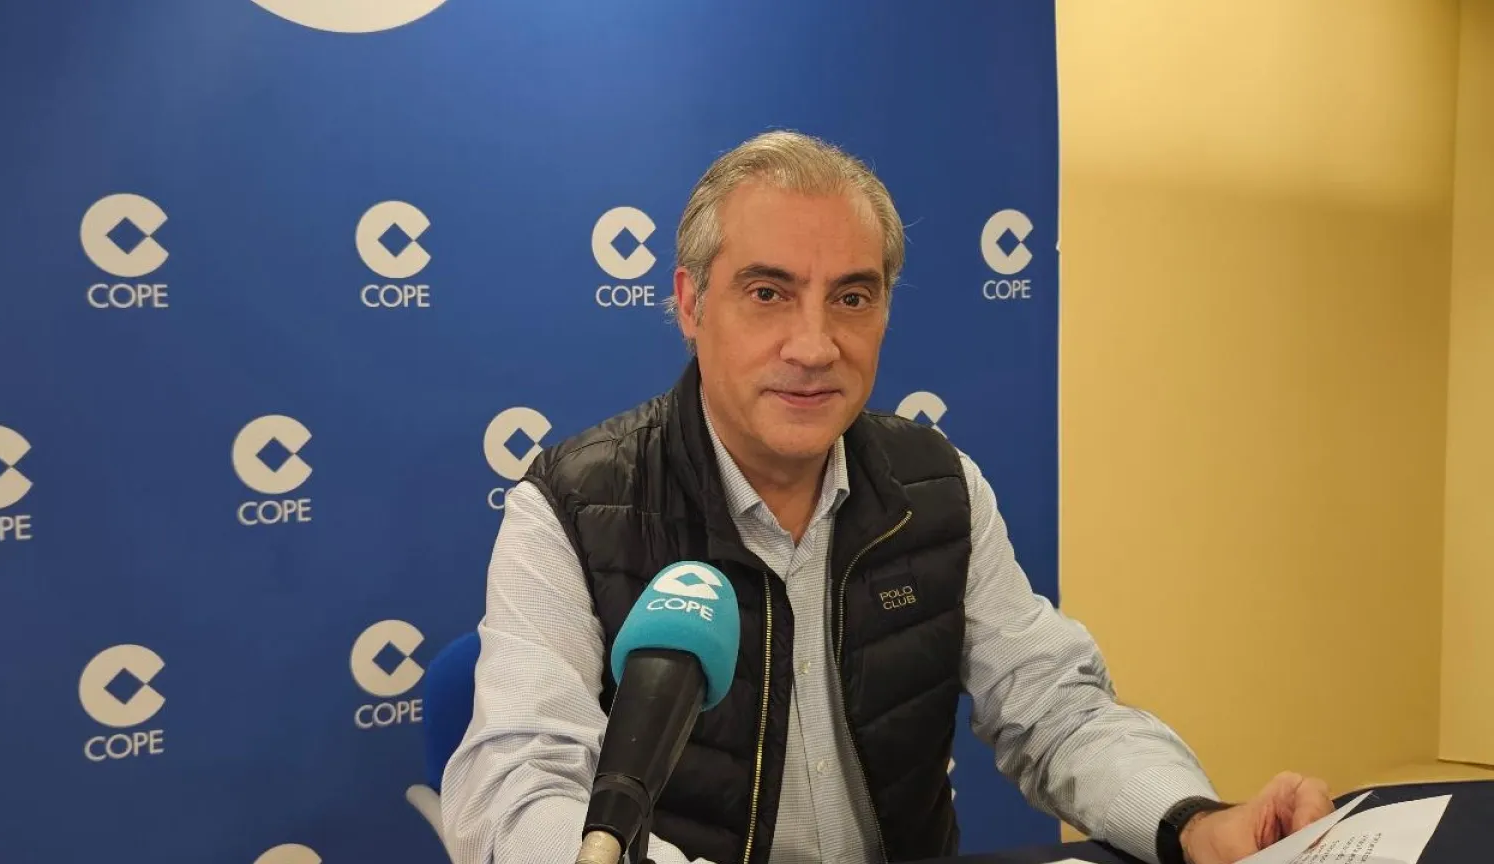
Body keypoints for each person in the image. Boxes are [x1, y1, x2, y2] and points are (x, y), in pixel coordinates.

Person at [440, 130, 1335, 864]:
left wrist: (1195, 823)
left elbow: (1056, 711)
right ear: (690, 303)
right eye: (768, 292)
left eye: (852, 298)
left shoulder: (936, 486)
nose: (814, 345)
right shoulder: (571, 505)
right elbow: (521, 786)